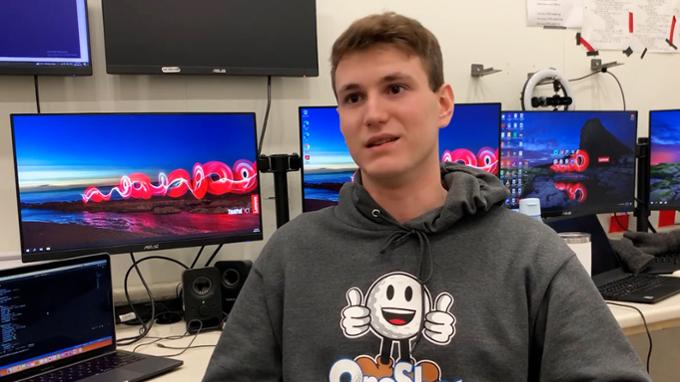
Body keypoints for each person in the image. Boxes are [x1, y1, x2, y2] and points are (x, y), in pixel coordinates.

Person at [203, 12, 650, 381]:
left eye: (395, 88)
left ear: (443, 104)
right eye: (353, 97)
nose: (374, 114)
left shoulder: (530, 255)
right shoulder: (289, 255)